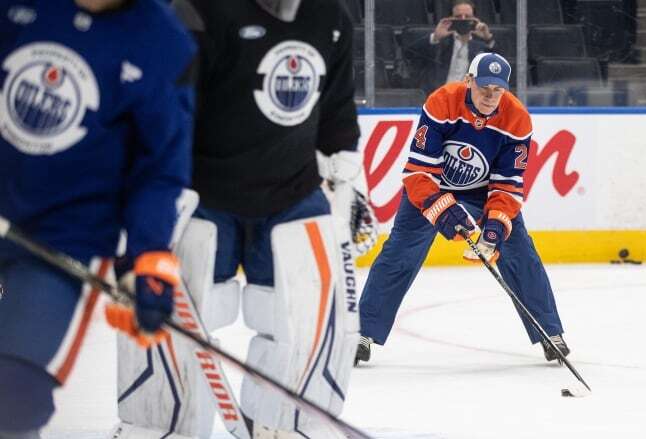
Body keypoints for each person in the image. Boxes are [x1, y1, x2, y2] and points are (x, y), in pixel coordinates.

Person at [165, 0, 376, 437]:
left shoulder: (330, 19)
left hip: (293, 193)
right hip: (207, 193)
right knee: (185, 320)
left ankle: (280, 425)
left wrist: (347, 176)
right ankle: (173, 422)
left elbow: (336, 108)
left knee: (301, 323)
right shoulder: (200, 11)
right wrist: (163, 183)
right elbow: (173, 105)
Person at [0, 0, 196, 437]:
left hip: (66, 242)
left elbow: (159, 171)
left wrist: (148, 256)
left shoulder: (163, 43)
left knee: (14, 395)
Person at [355, 53, 570, 366]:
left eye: (497, 90)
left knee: (520, 251)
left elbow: (508, 185)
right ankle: (362, 333)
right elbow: (418, 172)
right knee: (400, 253)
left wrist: (495, 226)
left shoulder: (517, 119)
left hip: (485, 192)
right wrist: (443, 210)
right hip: (434, 184)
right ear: (468, 80)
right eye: (483, 87)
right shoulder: (443, 102)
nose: (489, 95)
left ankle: (550, 332)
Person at [407, 0, 498, 94]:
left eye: (467, 17)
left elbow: (499, 68)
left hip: (471, 98)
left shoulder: (482, 44)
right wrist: (435, 37)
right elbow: (409, 55)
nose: (463, 20)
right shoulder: (438, 41)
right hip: (440, 96)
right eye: (458, 17)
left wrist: (488, 39)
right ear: (451, 19)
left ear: (475, 19)